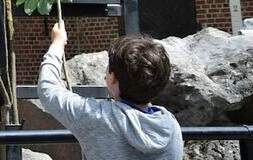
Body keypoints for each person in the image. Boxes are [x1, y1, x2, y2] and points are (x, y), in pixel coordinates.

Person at [38, 21, 183, 160]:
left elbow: (47, 90)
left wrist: (57, 43)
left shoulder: (99, 117)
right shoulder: (171, 125)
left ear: (113, 79)